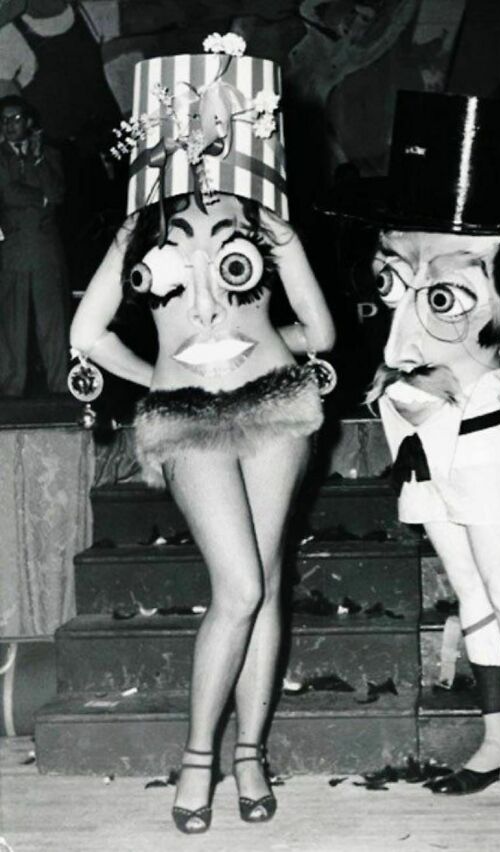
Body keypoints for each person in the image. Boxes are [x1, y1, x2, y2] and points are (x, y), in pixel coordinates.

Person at [70, 38, 335, 834]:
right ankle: (198, 758)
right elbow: (89, 334)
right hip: (184, 417)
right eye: (190, 122)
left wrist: (265, 332)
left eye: (221, 122)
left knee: (269, 577)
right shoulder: (138, 227)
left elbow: (318, 327)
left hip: (277, 405)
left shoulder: (265, 218)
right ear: (163, 128)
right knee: (241, 586)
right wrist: (158, 375)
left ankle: (249, 752)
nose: (205, 137)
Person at [321, 91, 500, 832]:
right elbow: (391, 335)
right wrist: (395, 382)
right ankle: (498, 739)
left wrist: (482, 378)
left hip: (480, 441)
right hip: (412, 440)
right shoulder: (392, 242)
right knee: (467, 591)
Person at [0, 94, 69, 396]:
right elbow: (8, 193)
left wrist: (38, 160)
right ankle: (10, 390)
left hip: (45, 252)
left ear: (29, 122)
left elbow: (56, 194)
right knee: (10, 324)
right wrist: (38, 198)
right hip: (11, 252)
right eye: (3, 121)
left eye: (15, 119)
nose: (9, 125)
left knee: (52, 323)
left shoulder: (49, 154)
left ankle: (61, 389)